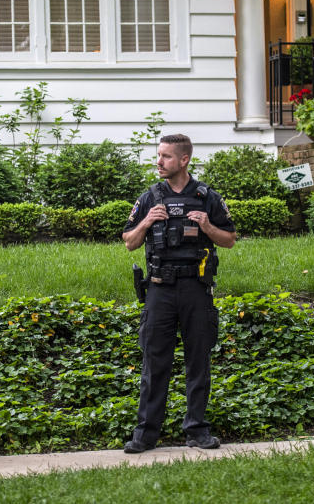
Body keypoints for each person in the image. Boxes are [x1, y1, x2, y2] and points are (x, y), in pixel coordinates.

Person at [121, 134, 236, 453]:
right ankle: (145, 433)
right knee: (154, 361)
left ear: (184, 160)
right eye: (159, 155)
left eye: (166, 157)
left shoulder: (206, 197)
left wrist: (207, 226)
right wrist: (146, 221)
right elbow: (129, 241)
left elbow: (229, 239)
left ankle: (197, 430)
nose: (159, 161)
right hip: (159, 290)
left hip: (196, 290)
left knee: (198, 359)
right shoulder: (149, 197)